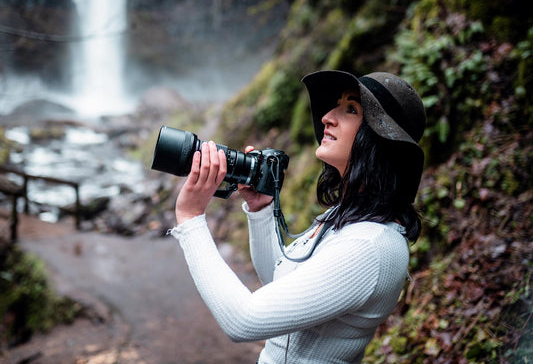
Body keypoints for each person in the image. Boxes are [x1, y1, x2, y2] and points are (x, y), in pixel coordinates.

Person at [168, 70, 426, 363]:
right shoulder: (348, 219)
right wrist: (261, 209)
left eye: (350, 109)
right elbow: (282, 285)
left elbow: (243, 321)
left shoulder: (371, 247)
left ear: (380, 140)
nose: (327, 116)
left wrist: (190, 219)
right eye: (335, 105)